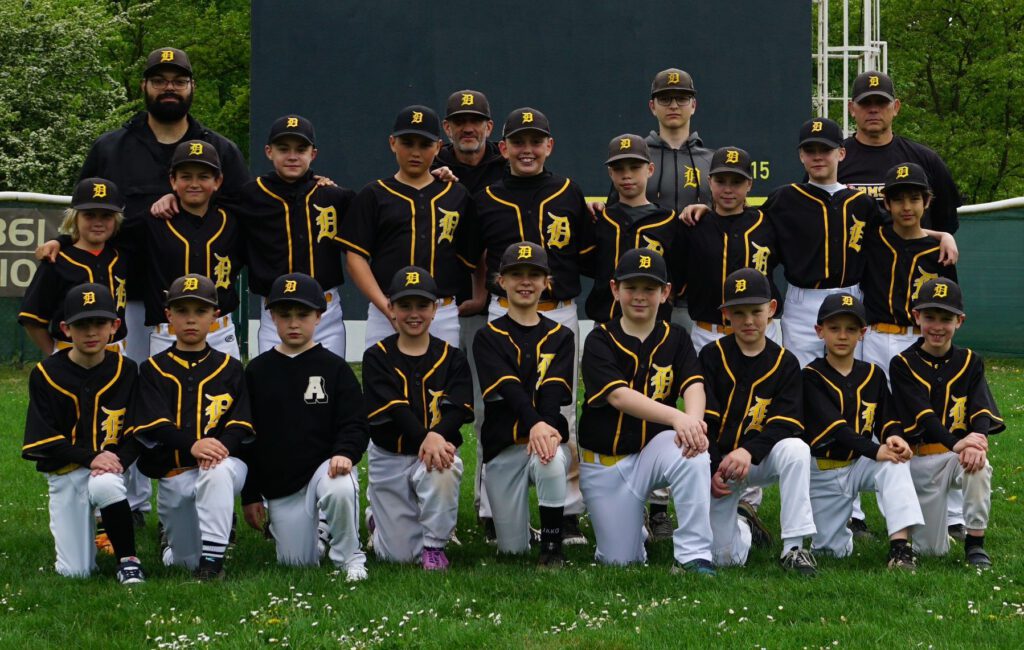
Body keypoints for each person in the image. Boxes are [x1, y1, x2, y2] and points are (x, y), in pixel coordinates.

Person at [461, 107, 595, 545]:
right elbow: (472, 256)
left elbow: (587, 252)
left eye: (536, 141)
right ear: (503, 148)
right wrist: (479, 296)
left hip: (559, 310)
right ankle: (489, 508)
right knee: (493, 408)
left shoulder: (569, 192)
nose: (527, 149)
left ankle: (567, 511)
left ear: (549, 146)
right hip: (502, 311)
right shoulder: (486, 197)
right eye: (518, 142)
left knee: (563, 410)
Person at [74, 46, 249, 363]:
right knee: (133, 388)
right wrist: (61, 242)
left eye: (179, 81)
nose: (169, 87)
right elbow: (84, 217)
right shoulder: (110, 149)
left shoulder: (220, 151)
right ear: (144, 86)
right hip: (126, 300)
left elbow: (246, 219)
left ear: (192, 86)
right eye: (159, 80)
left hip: (201, 307)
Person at [578, 248, 714, 573]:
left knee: (693, 453)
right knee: (620, 561)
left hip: (653, 453)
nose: (640, 296)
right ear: (615, 289)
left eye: (650, 288)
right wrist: (678, 417)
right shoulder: (599, 340)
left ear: (665, 293)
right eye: (631, 287)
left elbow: (694, 384)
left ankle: (693, 556)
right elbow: (619, 397)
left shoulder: (676, 337)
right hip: (606, 465)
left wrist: (694, 423)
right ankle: (632, 528)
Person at [584, 134, 682, 542]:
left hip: (655, 334)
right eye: (619, 168)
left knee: (659, 409)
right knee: (612, 410)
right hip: (608, 331)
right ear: (610, 173)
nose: (627, 175)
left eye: (634, 167)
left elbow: (680, 274)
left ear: (650, 169)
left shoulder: (670, 222)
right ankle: (619, 497)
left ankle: (658, 509)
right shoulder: (599, 220)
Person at [241, 273, 370, 580]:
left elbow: (355, 422)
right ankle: (317, 536)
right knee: (296, 563)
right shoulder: (257, 371)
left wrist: (345, 453)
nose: (294, 323)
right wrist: (250, 495)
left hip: (326, 468)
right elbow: (247, 437)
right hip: (283, 483)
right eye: (285, 315)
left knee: (341, 486)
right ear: (272, 317)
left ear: (318, 316)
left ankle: (350, 557)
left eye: (303, 314)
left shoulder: (334, 367)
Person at [128, 274, 254, 580]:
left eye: (200, 311)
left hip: (224, 465)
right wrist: (194, 444)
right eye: (182, 311)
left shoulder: (231, 367)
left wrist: (218, 449)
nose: (191, 319)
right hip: (176, 474)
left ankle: (212, 563)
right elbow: (155, 424)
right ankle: (175, 548)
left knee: (217, 472)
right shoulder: (152, 368)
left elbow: (241, 423)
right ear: (168, 315)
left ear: (215, 316)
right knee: (183, 563)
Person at [21, 283, 143, 584]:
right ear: (65, 329)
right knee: (75, 572)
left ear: (115, 326)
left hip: (108, 470)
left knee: (107, 484)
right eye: (81, 324)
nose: (91, 332)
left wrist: (116, 462)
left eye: (99, 323)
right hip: (65, 474)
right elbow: (43, 438)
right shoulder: (46, 374)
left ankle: (128, 562)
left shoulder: (127, 369)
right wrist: (91, 457)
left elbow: (138, 432)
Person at [700, 269, 817, 575]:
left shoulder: (785, 362)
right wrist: (713, 466)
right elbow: (704, 420)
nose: (749, 320)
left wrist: (748, 451)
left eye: (756, 310)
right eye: (739, 312)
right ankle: (744, 522)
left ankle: (793, 548)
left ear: (772, 309)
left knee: (796, 449)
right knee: (724, 559)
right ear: (726, 315)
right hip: (721, 466)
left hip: (759, 459)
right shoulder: (711, 356)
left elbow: (786, 423)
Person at [802, 293, 924, 569]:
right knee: (831, 552)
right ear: (819, 331)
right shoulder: (810, 375)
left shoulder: (873, 374)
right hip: (824, 471)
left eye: (851, 329)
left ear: (863, 333)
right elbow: (836, 428)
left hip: (860, 464)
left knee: (895, 462)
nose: (842, 335)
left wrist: (893, 437)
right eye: (834, 328)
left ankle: (900, 549)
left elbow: (887, 418)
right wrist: (875, 449)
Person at [362, 267, 473, 569]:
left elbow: (458, 408)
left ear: (435, 309)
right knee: (397, 557)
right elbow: (395, 409)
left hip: (435, 454)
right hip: (391, 456)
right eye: (405, 305)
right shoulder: (376, 356)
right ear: (391, 308)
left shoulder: (452, 356)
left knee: (447, 466)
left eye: (422, 305)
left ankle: (435, 546)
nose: (414, 313)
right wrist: (428, 436)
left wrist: (436, 436)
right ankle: (377, 518)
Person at [433, 89, 506, 543]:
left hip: (486, 307)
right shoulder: (431, 163)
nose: (467, 127)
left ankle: (488, 506)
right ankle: (427, 510)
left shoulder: (505, 166)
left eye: (475, 120)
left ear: (488, 127)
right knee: (431, 406)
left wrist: (482, 294)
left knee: (487, 408)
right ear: (447, 128)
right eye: (459, 121)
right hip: (434, 305)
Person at [473, 242, 575, 566]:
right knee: (512, 552)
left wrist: (544, 429)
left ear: (547, 282)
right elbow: (510, 389)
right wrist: (538, 425)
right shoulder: (487, 336)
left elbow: (553, 393)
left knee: (551, 460)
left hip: (544, 443)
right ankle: (524, 534)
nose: (526, 282)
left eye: (534, 275)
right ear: (501, 281)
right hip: (504, 449)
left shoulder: (561, 335)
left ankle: (552, 547)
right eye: (517, 274)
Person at [890, 279, 1003, 567]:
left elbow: (981, 409)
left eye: (946, 319)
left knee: (980, 467)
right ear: (917, 317)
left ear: (959, 321)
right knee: (931, 551)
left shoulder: (970, 360)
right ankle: (934, 536)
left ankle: (975, 544)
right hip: (920, 460)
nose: (937, 326)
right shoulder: (902, 363)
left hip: (956, 458)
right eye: (930, 317)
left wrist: (977, 442)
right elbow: (923, 415)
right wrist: (958, 443)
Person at [340, 105, 471, 350]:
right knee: (383, 374)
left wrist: (480, 296)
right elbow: (355, 258)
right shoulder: (374, 194)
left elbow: (473, 253)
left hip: (441, 312)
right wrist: (386, 308)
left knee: (443, 375)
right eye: (407, 143)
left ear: (438, 147)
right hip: (386, 308)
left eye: (425, 144)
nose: (415, 152)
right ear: (392, 143)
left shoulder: (456, 194)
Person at [237, 115, 355, 357]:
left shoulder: (334, 196)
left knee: (325, 379)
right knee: (274, 379)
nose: (292, 156)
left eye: (301, 149)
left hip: (325, 311)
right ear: (269, 151)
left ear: (313, 154)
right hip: (275, 310)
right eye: (283, 149)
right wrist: (170, 197)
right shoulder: (250, 196)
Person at [143, 140, 244, 358]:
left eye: (204, 177)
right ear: (173, 181)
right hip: (167, 334)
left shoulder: (233, 220)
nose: (194, 184)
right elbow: (106, 231)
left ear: (218, 181)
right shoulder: (152, 221)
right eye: (186, 176)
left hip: (220, 332)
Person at [677, 146, 782, 352]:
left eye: (736, 182)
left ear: (749, 184)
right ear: (709, 181)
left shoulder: (767, 224)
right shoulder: (693, 225)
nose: (727, 189)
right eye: (721, 181)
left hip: (762, 332)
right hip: (708, 334)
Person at [860, 162, 958, 375]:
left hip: (919, 339)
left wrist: (945, 236)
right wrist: (943, 234)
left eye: (914, 199)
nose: (906, 207)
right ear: (887, 203)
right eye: (898, 199)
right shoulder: (873, 239)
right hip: (874, 339)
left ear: (927, 202)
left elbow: (948, 307)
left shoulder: (939, 252)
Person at [839, 71, 961, 234]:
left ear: (896, 107)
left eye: (881, 102)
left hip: (913, 251)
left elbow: (946, 224)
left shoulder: (926, 160)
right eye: (865, 103)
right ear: (851, 108)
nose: (873, 109)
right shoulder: (834, 161)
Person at [19, 178, 128, 355]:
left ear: (116, 220)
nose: (98, 222)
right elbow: (32, 318)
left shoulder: (120, 257)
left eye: (106, 216)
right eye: (89, 215)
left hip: (116, 352)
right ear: (74, 218)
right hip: (69, 352)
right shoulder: (56, 261)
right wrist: (53, 354)